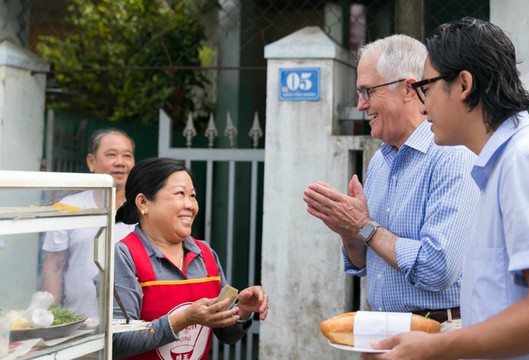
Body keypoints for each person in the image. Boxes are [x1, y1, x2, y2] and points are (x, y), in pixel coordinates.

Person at [362, 17, 529, 359]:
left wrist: (434, 347)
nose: (423, 106)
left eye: (426, 88)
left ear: (463, 84)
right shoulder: (501, 166)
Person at [303, 34, 479, 328]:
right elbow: (363, 262)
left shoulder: (452, 156)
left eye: (367, 91)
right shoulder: (381, 161)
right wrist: (349, 230)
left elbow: (438, 268)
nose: (360, 104)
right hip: (383, 331)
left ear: (410, 89)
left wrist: (364, 226)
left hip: (441, 333)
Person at [112, 157, 269, 359]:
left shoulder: (205, 254)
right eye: (180, 194)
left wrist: (243, 311)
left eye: (193, 196)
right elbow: (118, 342)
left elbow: (227, 335)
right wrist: (184, 319)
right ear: (143, 203)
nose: (190, 205)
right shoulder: (124, 256)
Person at [41, 128, 136, 321]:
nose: (120, 162)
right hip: (80, 322)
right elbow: (54, 267)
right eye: (111, 154)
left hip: (132, 324)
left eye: (127, 155)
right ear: (91, 162)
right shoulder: (68, 207)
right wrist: (52, 318)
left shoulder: (144, 209)